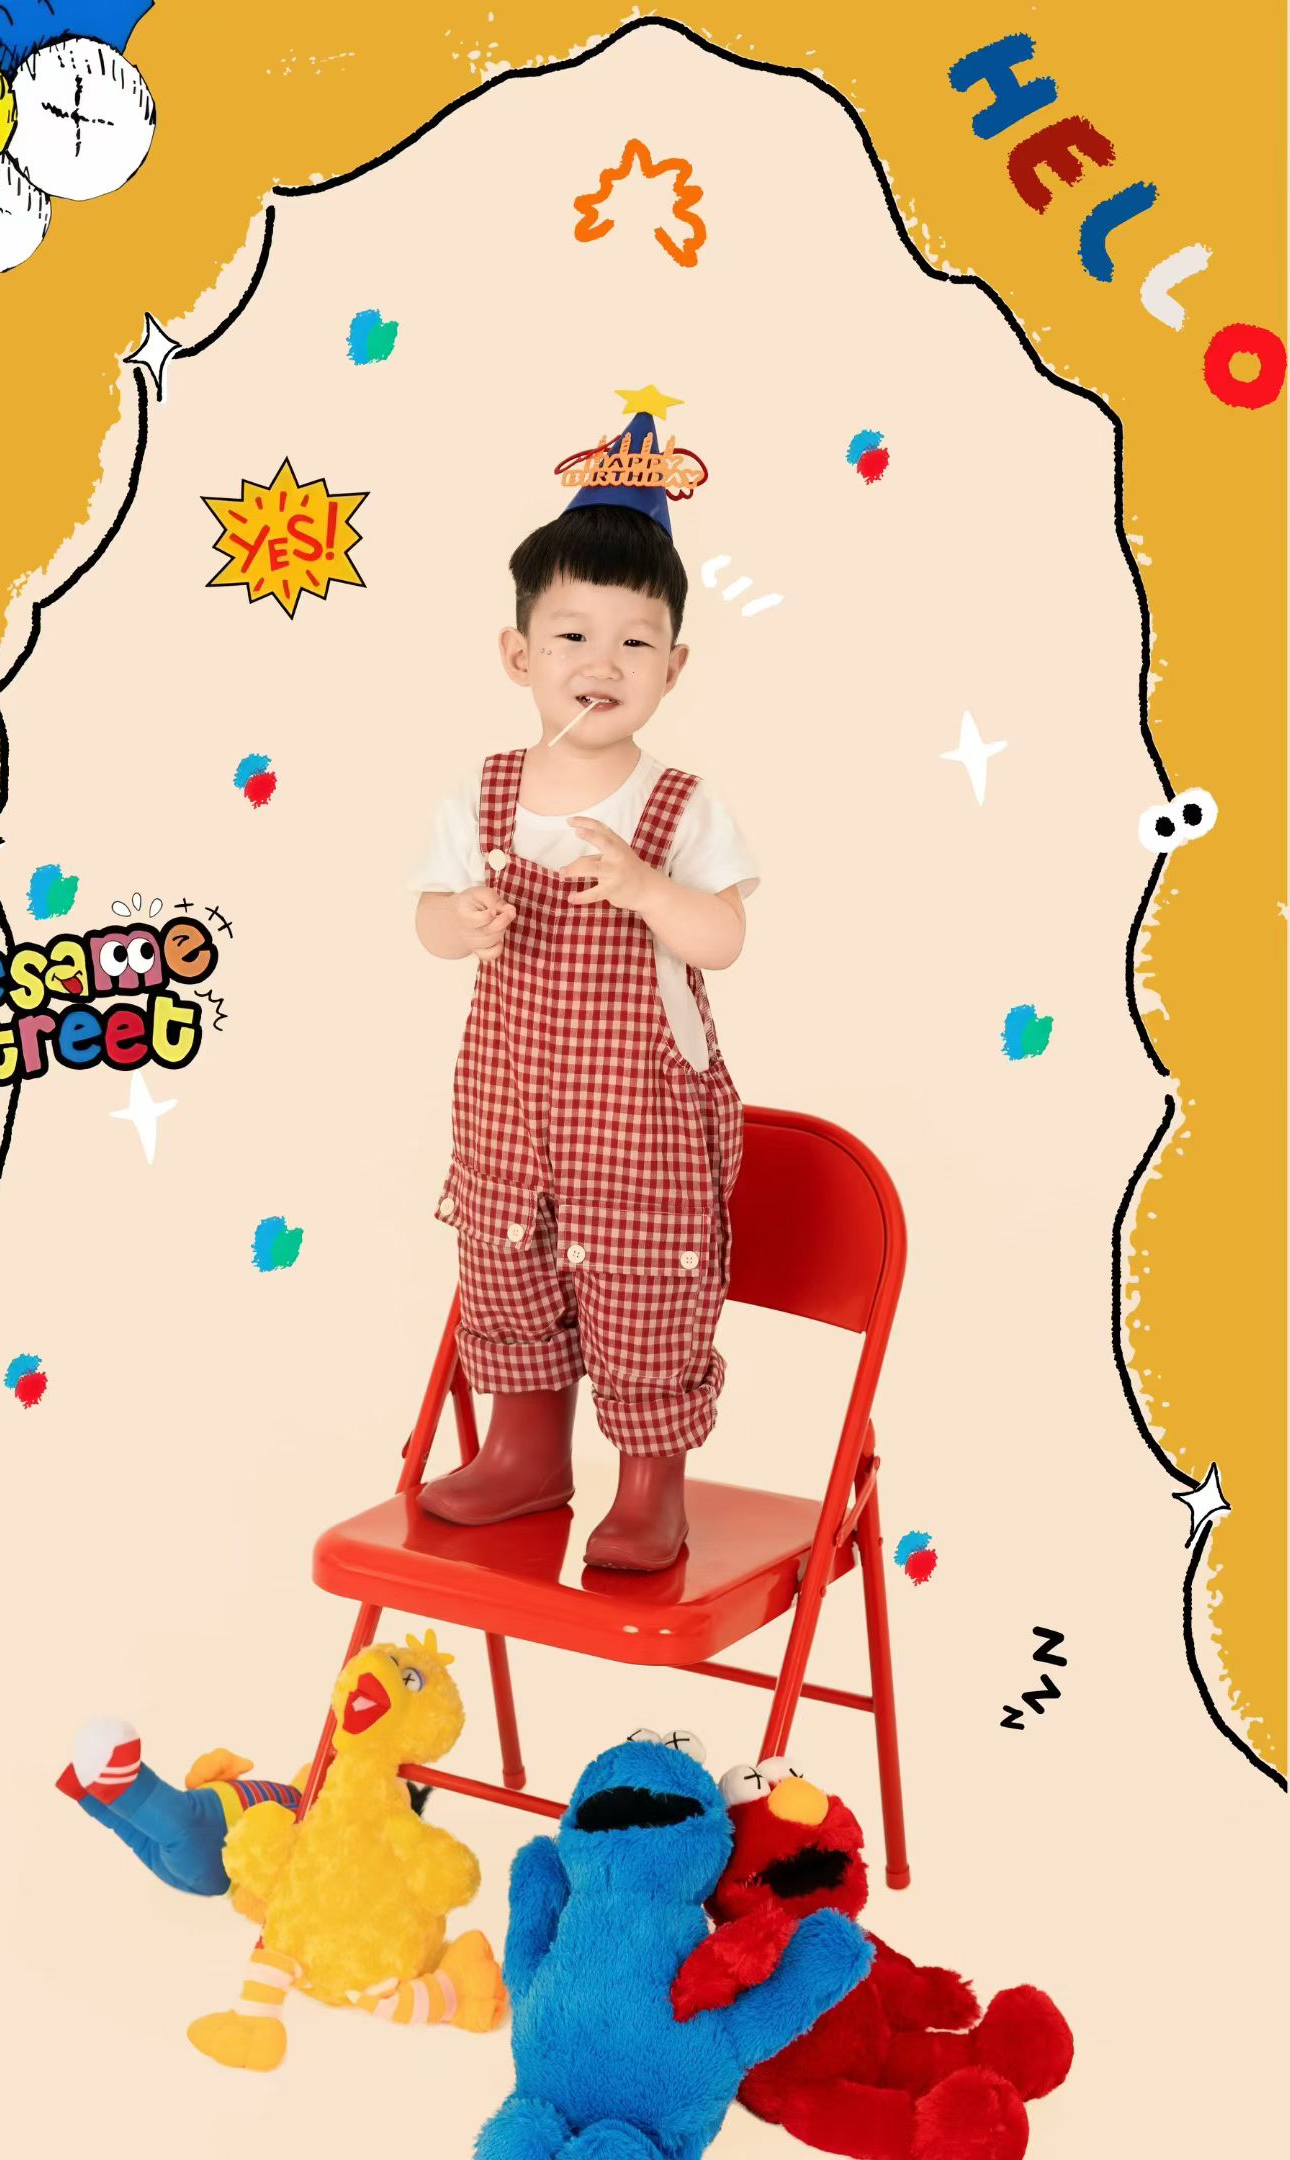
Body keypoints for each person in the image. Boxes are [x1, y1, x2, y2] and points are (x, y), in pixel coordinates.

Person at [409, 410, 758, 1571]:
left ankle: (650, 1487)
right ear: (521, 656)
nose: (601, 665)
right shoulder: (485, 791)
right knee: (506, 1263)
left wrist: (650, 889)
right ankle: (525, 1454)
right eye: (572, 636)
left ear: (674, 667)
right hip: (510, 1106)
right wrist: (460, 922)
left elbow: (724, 939)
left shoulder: (680, 803)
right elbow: (429, 921)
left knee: (642, 1285)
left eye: (635, 642)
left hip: (639, 1122)